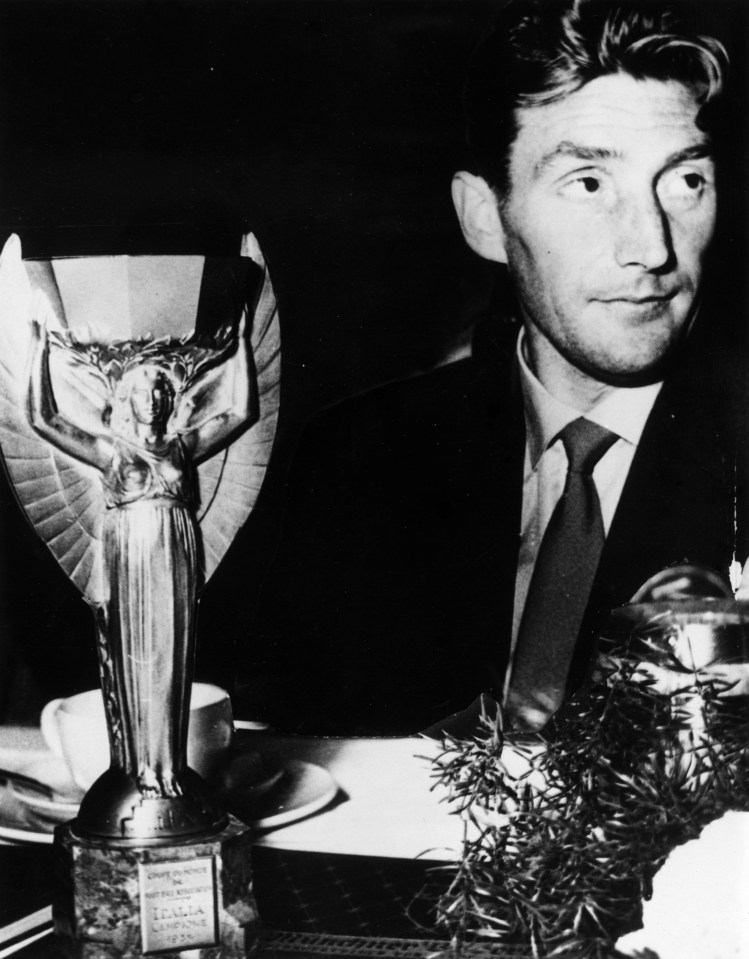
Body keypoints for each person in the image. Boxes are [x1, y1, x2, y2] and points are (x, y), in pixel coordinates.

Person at [237, 0, 748, 736]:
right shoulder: (358, 460)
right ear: (484, 218)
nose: (651, 248)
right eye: (588, 183)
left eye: (684, 181)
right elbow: (280, 746)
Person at [25, 309, 254, 800]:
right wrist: (39, 349)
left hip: (176, 544)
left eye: (160, 390)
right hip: (129, 550)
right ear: (125, 399)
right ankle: (140, 770)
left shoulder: (182, 447)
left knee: (174, 651)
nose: (152, 398)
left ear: (169, 398)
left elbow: (239, 414)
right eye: (142, 390)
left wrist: (240, 348)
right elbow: (42, 419)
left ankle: (170, 772)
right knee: (136, 654)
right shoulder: (110, 452)